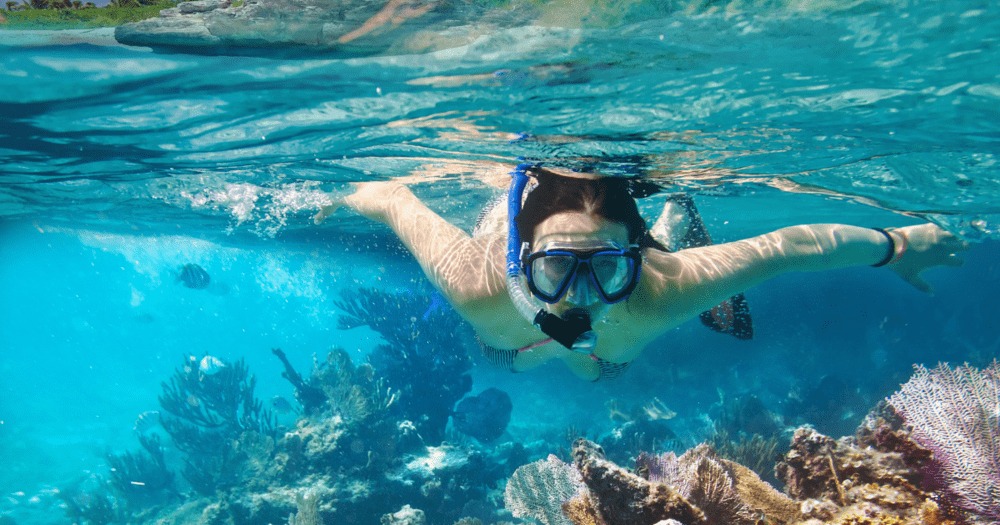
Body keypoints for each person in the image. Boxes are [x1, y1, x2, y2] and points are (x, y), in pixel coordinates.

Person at [315, 165, 970, 382]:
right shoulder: (476, 284)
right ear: (520, 263)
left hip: (636, 278)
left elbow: (788, 245)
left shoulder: (660, 288)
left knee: (599, 366)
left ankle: (670, 222)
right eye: (554, 268)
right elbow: (394, 196)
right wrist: (340, 195)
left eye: (604, 268)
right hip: (510, 337)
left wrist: (897, 243)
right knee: (505, 357)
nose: (579, 295)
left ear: (633, 260)